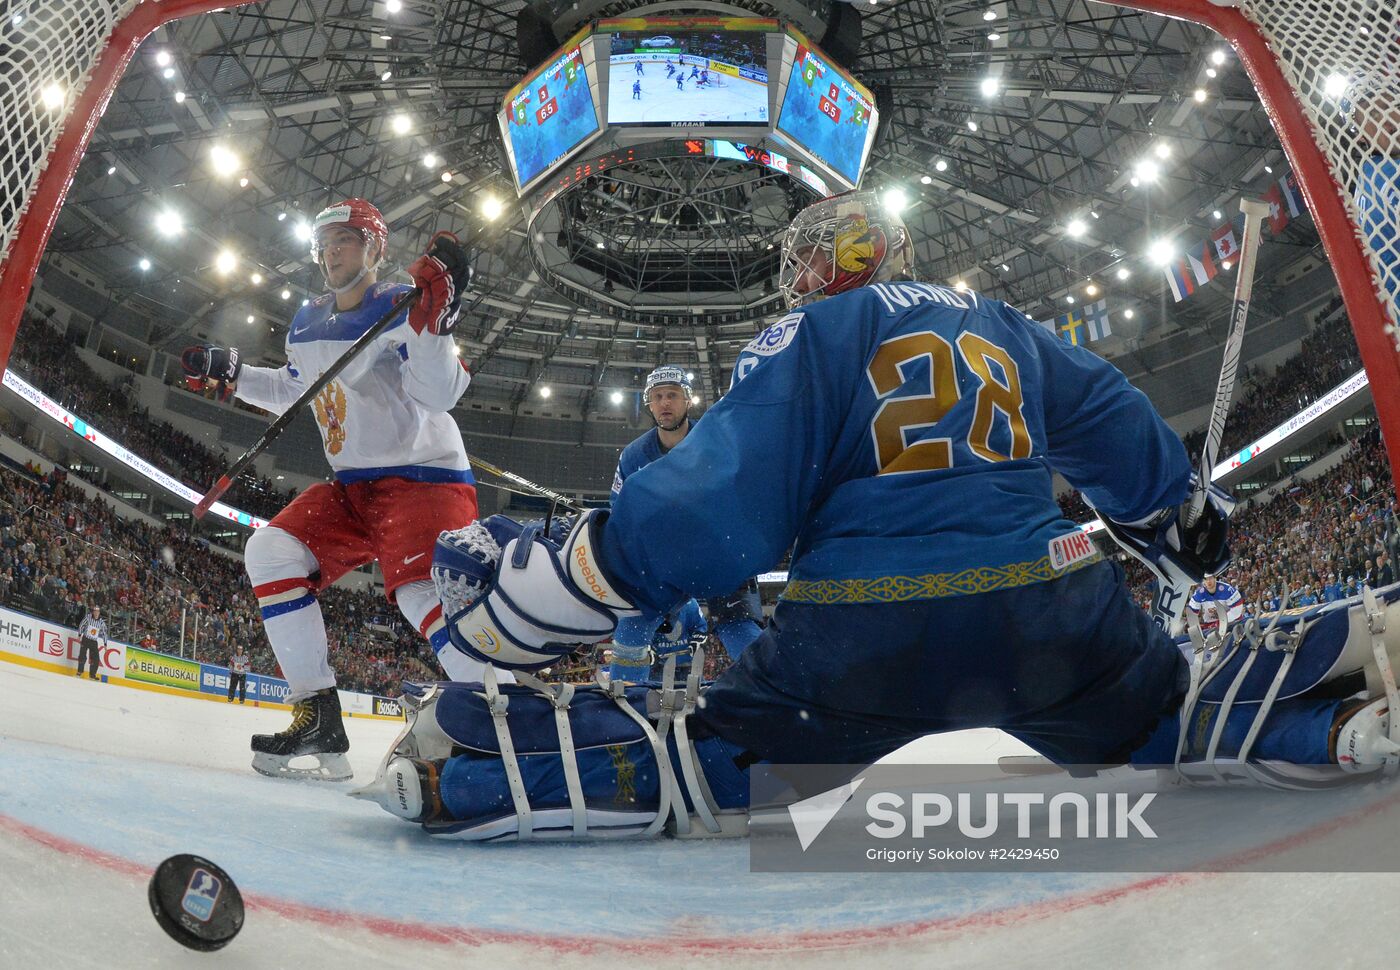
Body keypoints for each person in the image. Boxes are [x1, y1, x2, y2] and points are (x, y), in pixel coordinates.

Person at [358, 190, 1400, 838]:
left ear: (829, 263)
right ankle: (1332, 706)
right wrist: (1178, 519)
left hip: (865, 632)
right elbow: (1118, 430)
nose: (795, 282)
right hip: (1050, 613)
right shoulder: (1001, 325)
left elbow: (721, 513)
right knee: (1153, 710)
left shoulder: (808, 338)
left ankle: (476, 768)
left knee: (716, 762)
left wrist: (575, 570)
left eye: (801, 265)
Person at [180, 198, 507, 781]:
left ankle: (507, 718)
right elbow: (295, 390)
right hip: (356, 485)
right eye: (325, 242)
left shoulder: (402, 304)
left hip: (422, 478)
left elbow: (440, 394)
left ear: (375, 249)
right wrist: (234, 374)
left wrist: (437, 322)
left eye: (346, 241)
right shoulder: (307, 320)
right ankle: (319, 717)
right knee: (271, 549)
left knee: (417, 593)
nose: (332, 252)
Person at [605, 365, 764, 682]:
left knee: (738, 626)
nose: (665, 403)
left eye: (673, 395)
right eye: (658, 397)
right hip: (661, 559)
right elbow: (619, 513)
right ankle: (624, 703)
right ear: (649, 404)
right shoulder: (633, 456)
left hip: (719, 551)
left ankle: (776, 698)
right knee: (631, 629)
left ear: (688, 400)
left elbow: (745, 497)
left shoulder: (717, 440)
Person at [1187, 572, 1244, 638]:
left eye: (1210, 578)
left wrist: (1220, 623)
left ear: (1215, 577)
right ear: (1202, 581)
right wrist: (1196, 630)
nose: (1208, 581)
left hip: (1231, 624)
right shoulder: (1198, 594)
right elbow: (1191, 614)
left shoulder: (1228, 590)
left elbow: (1237, 612)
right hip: (1210, 626)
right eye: (1205, 579)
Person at [75, 603, 106, 680]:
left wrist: (105, 643)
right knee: (82, 655)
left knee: (96, 659)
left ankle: (92, 675)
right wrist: (79, 635)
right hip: (86, 639)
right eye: (95, 611)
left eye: (97, 611)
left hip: (94, 642)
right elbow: (82, 625)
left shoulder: (101, 622)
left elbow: (104, 633)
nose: (96, 613)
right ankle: (79, 672)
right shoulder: (88, 617)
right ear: (93, 612)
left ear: (99, 612)